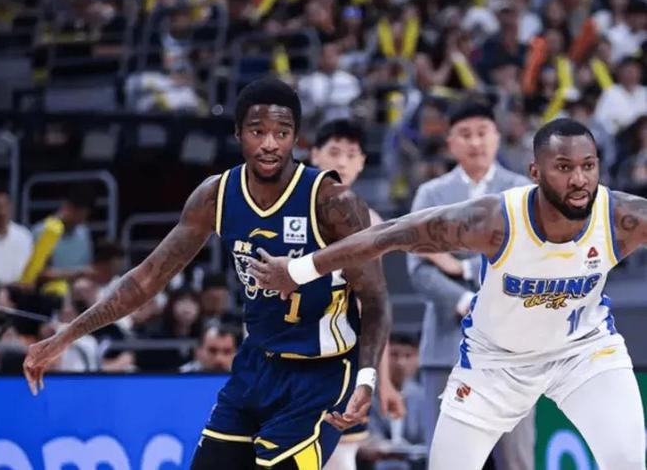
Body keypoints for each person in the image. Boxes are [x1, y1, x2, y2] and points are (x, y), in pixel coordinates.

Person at [23, 78, 391, 470]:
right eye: (258, 131)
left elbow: (375, 300)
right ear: (238, 134)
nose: (270, 143)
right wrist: (67, 335)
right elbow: (146, 279)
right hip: (256, 366)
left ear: (296, 138)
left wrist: (367, 378)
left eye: (282, 133)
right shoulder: (216, 196)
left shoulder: (333, 202)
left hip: (321, 374)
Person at [249, 118, 647, 470]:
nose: (579, 179)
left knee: (628, 460)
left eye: (588, 166)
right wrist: (298, 271)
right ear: (535, 173)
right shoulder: (495, 220)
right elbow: (389, 234)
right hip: (495, 364)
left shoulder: (622, 218)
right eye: (563, 167)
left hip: (582, 353)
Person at [407, 102, 535, 470]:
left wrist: (462, 267)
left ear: (496, 136)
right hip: (447, 346)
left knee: (517, 461)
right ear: (450, 142)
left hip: (512, 354)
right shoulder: (431, 194)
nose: (475, 142)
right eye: (465, 135)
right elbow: (418, 268)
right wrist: (463, 300)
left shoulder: (522, 192)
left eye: (482, 133)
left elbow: (530, 262)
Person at [311, 119, 405, 470]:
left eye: (351, 155)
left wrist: (384, 382)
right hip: (292, 351)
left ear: (363, 162)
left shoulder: (371, 220)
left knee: (341, 456)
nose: (342, 162)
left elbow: (374, 306)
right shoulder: (289, 209)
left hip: (344, 356)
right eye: (334, 152)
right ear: (314, 155)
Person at [358, 332, 427, 470]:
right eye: (394, 355)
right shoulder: (365, 394)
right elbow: (364, 435)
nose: (400, 362)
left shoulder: (423, 397)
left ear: (418, 359)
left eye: (408, 356)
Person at [21, 189, 94, 297]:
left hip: (80, 287)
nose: (79, 218)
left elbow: (88, 269)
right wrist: (72, 274)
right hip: (50, 290)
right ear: (66, 207)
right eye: (76, 212)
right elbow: (37, 275)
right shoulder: (44, 231)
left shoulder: (84, 233)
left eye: (82, 214)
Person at [0, 187, 33, 287]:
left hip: (20, 289)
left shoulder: (24, 235)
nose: (1, 212)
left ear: (10, 207)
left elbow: (28, 267)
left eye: (3, 206)